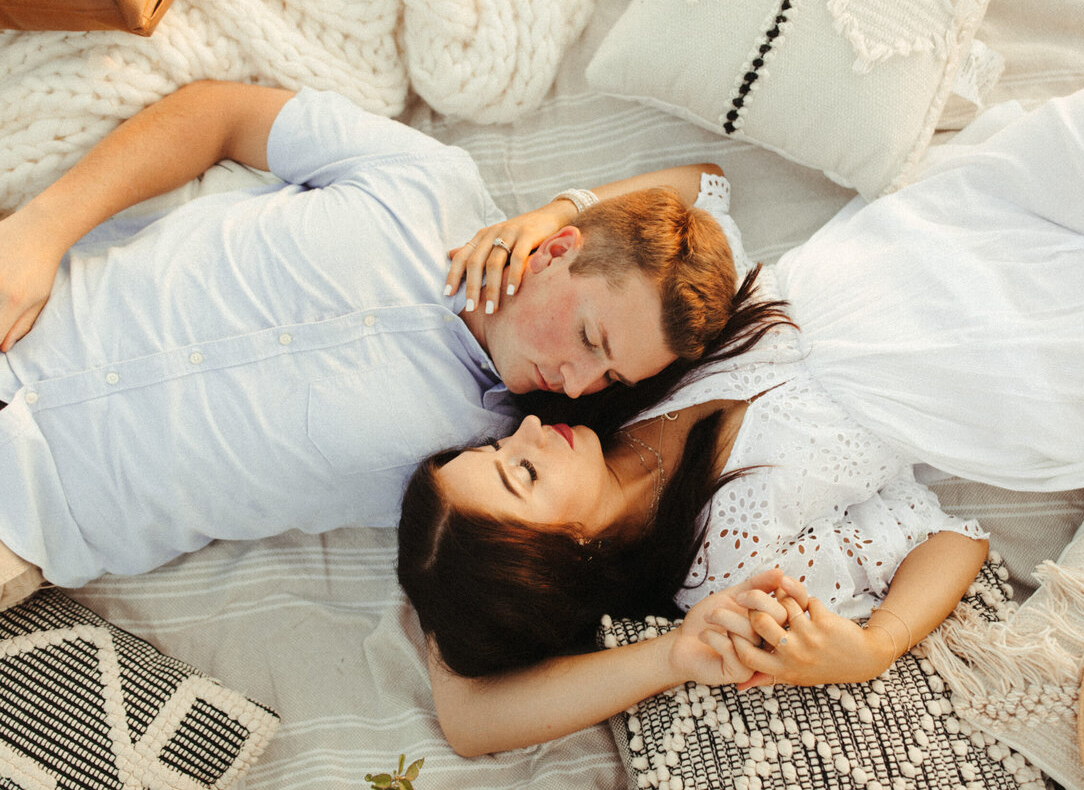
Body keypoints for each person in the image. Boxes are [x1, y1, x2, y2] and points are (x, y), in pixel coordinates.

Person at [398, 51, 1084, 756]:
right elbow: (951, 536)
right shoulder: (724, 566)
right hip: (1016, 366)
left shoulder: (613, 379)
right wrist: (873, 644)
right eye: (518, 478)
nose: (527, 430)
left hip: (949, 226)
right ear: (558, 555)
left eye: (498, 452)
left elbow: (700, 193)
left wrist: (559, 213)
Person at [0, 80, 738, 606]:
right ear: (553, 253)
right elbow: (219, 113)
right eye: (590, 338)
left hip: (24, 514)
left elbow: (713, 196)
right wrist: (39, 232)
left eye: (608, 377)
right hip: (22, 301)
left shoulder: (488, 459)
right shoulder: (426, 182)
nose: (577, 385)